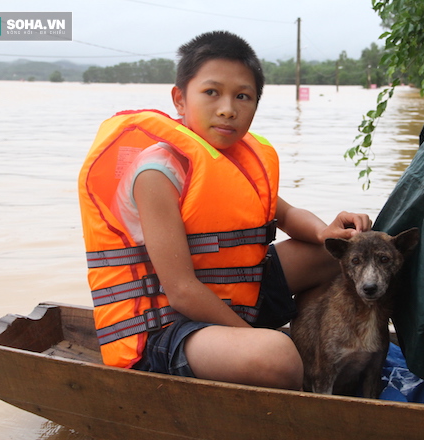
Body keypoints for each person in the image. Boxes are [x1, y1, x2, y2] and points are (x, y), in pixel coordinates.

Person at [78, 31, 371, 391]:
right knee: (275, 355)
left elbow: (287, 214)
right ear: (180, 99)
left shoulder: (240, 160)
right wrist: (250, 337)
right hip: (165, 327)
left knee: (337, 255)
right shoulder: (157, 172)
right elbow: (182, 291)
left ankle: (313, 351)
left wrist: (324, 232)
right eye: (212, 92)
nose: (228, 108)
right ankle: (284, 364)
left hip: (233, 302)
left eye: (242, 96)